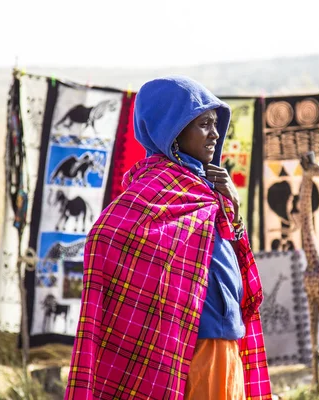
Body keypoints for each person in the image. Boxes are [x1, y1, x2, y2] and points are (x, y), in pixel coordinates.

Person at [64, 76, 272, 399]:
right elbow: (103, 241)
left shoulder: (207, 192)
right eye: (204, 124)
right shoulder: (145, 199)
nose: (215, 134)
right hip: (189, 353)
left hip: (225, 345)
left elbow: (231, 260)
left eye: (216, 124)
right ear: (173, 131)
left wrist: (233, 208)